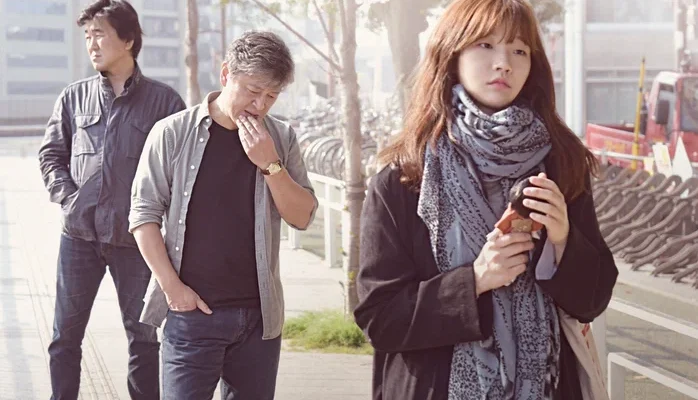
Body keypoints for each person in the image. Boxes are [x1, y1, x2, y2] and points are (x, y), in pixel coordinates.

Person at [353, 0, 618, 399]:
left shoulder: (562, 164)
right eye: (485, 45)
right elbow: (381, 318)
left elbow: (592, 302)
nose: (504, 64)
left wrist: (563, 241)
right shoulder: (404, 178)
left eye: (519, 50)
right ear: (451, 55)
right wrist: (475, 280)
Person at [128, 30, 317, 399]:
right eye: (253, 90)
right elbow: (143, 216)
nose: (260, 105)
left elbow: (302, 217)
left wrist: (270, 164)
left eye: (271, 96)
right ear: (226, 73)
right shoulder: (172, 133)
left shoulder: (281, 139)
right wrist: (173, 290)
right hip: (192, 314)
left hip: (259, 320)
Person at [38, 1, 186, 398]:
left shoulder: (165, 103)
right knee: (64, 337)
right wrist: (69, 199)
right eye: (88, 36)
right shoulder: (74, 97)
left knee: (144, 339)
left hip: (136, 240)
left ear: (129, 40)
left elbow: (181, 173)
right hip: (79, 238)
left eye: (100, 34)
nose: (92, 44)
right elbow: (51, 155)